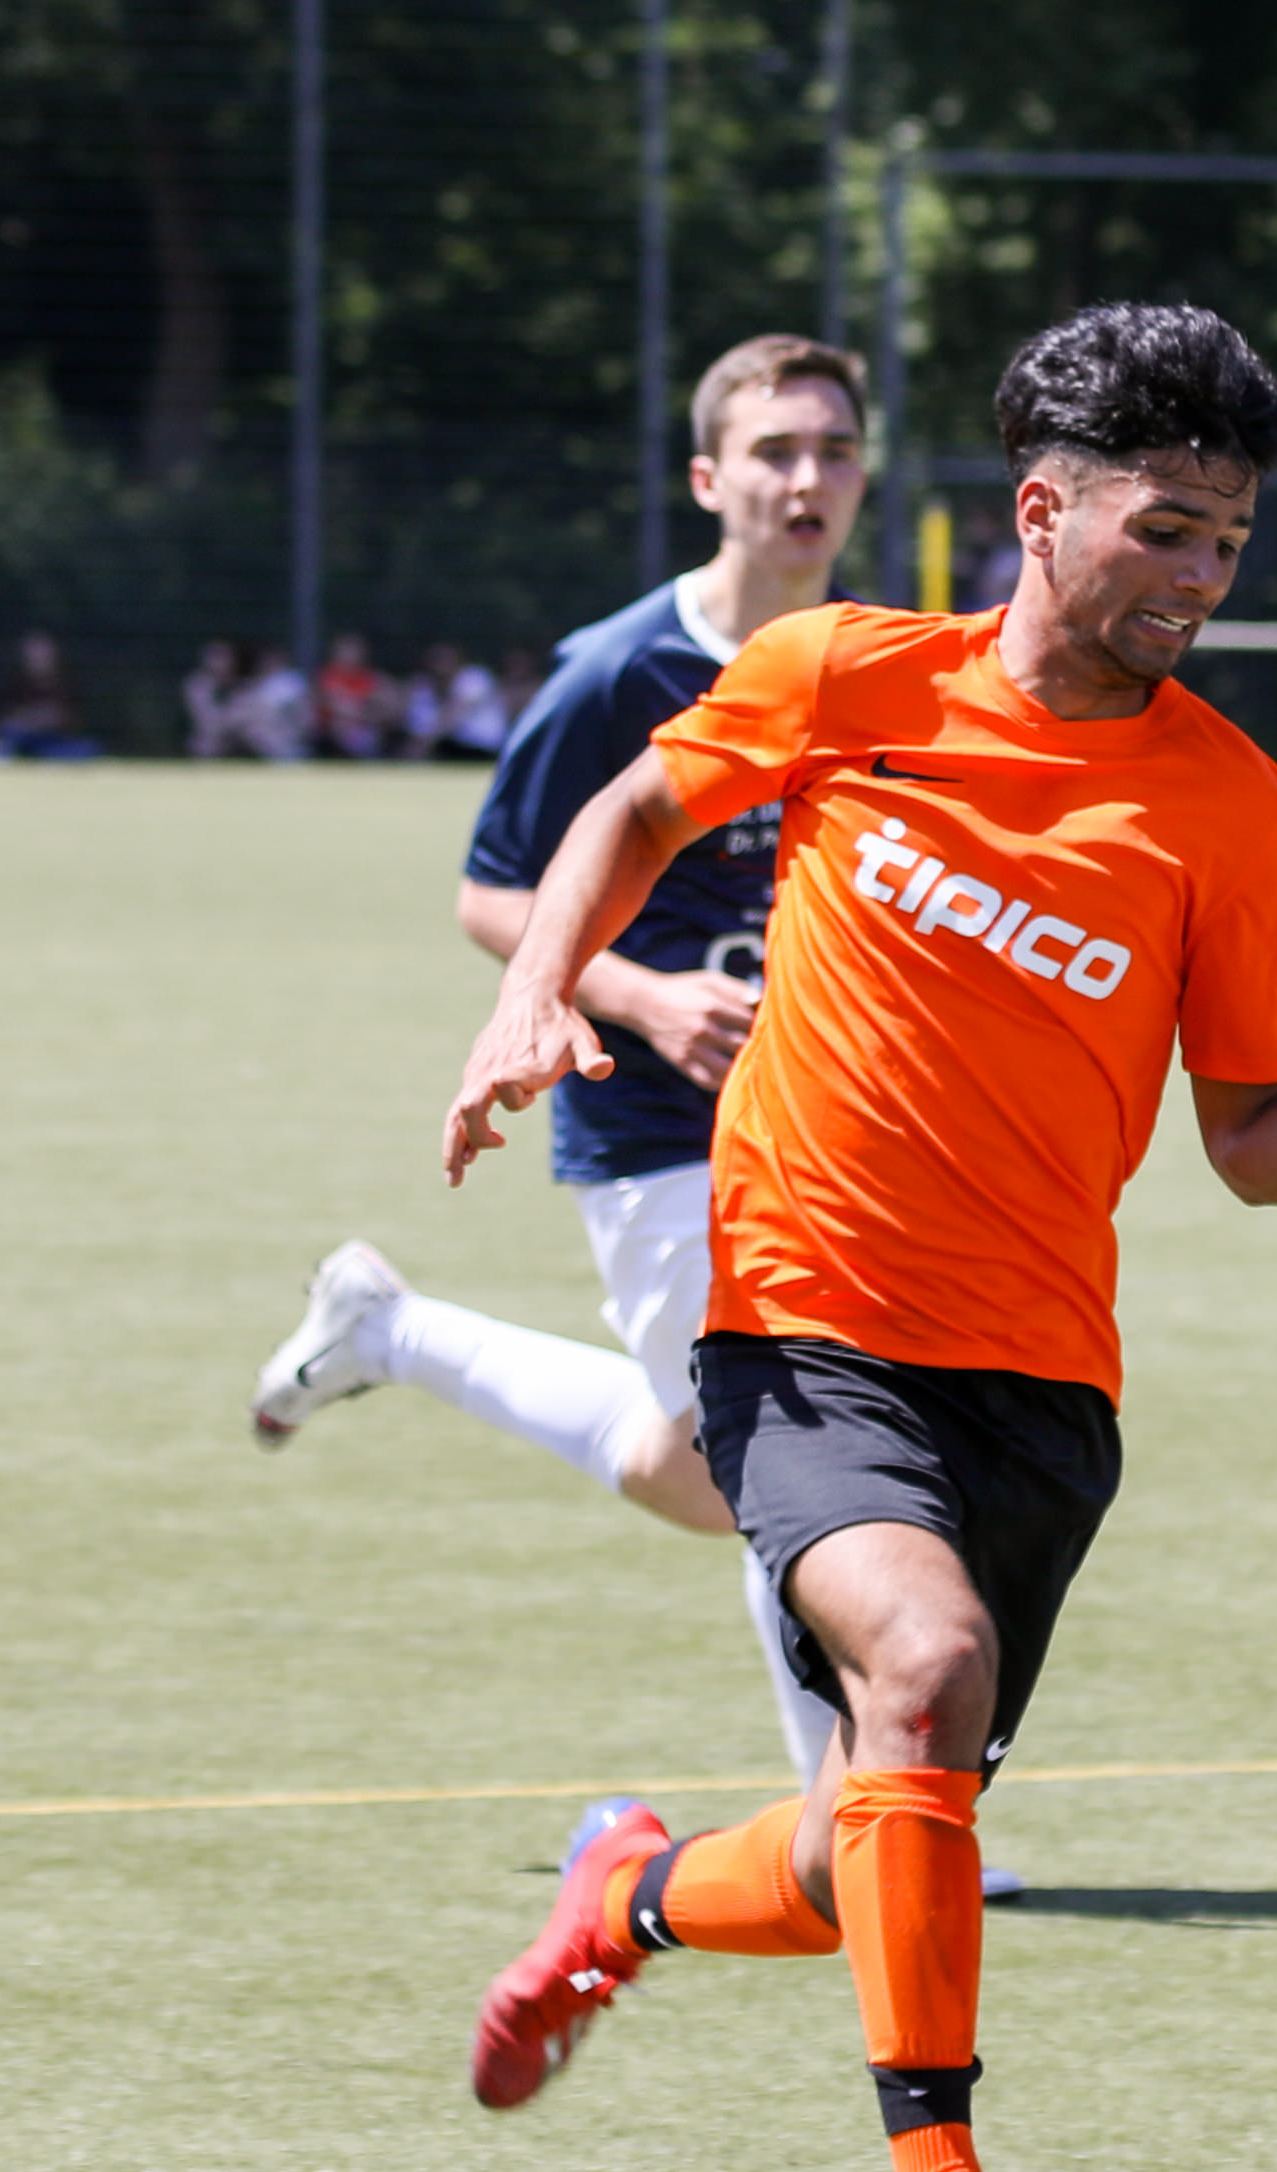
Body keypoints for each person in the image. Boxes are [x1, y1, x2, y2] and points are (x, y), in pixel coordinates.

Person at [441, 301, 1277, 2172]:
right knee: (926, 1661)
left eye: (1229, 540)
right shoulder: (846, 673)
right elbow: (619, 821)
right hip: (800, 1318)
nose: (1201, 577)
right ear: (1040, 513)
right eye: (1165, 530)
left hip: (1040, 1380)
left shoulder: (1224, 798)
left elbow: (1249, 1135)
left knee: (856, 1845)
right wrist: (540, 992)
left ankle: (624, 1892)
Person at [250, 334, 877, 1790]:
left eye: (836, 450)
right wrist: (646, 997)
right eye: (775, 451)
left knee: (705, 1468)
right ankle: (863, 1829)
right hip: (650, 1120)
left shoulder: (878, 660)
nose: (808, 478)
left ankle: (391, 1333)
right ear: (708, 477)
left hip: (830, 1127)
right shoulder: (615, 671)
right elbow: (493, 895)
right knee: (790, 1462)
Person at [311, 630, 397, 758]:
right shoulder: (328, 676)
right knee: (342, 723)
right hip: (330, 731)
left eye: (355, 650)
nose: (351, 655)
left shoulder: (368, 677)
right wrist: (363, 713)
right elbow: (335, 706)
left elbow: (388, 707)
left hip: (365, 725)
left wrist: (371, 713)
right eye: (346, 650)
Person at [237, 645, 312, 761]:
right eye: (266, 660)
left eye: (272, 659)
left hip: (286, 727)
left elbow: (302, 711)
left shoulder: (293, 681)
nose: (268, 663)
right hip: (261, 727)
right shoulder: (258, 682)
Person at [183, 640, 249, 758]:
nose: (220, 663)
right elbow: (207, 722)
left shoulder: (242, 684)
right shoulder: (197, 685)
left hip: (240, 737)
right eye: (216, 657)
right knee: (205, 743)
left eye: (224, 657)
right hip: (210, 740)